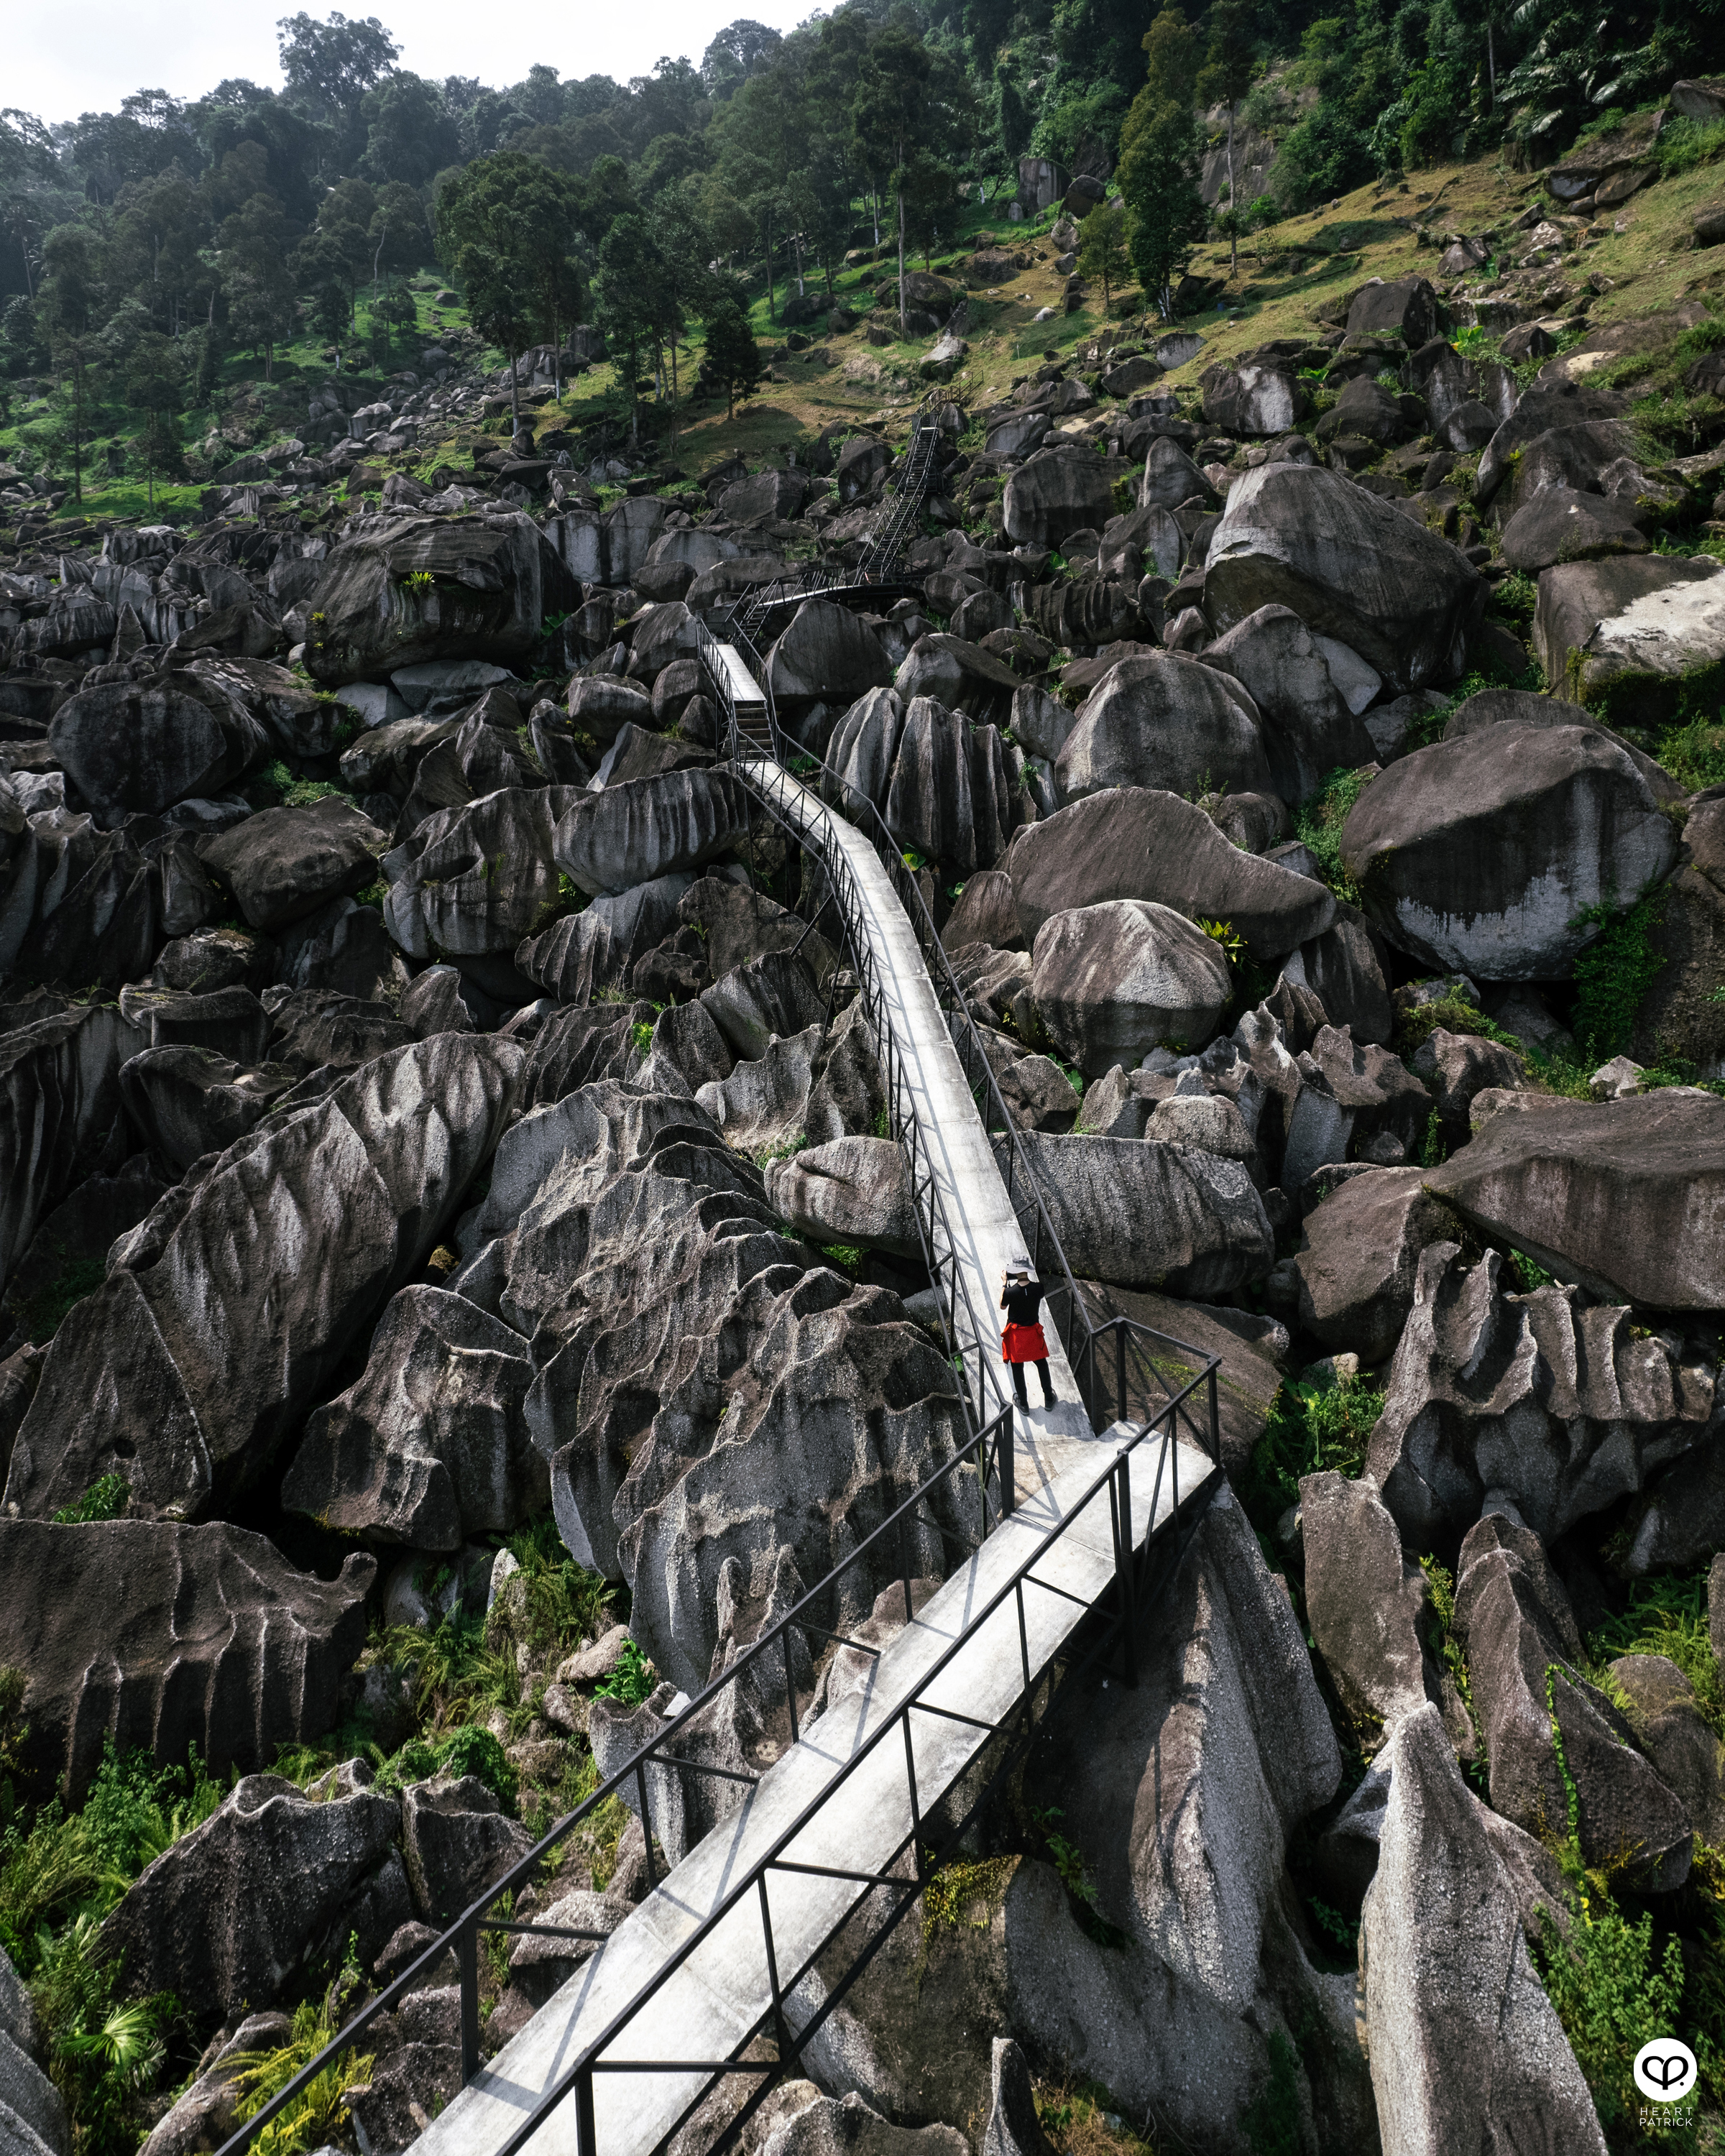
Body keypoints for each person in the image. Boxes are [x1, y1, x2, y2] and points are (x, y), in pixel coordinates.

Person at [1000, 1264, 1056, 1411]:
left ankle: (1024, 1404)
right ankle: (1049, 1398)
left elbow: (1002, 1305)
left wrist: (1004, 1284)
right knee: (1042, 1364)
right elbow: (1030, 1291)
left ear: (1015, 1272)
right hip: (1033, 1332)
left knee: (1017, 1367)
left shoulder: (1010, 1292)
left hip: (1017, 1335)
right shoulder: (1039, 1288)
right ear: (1027, 1271)